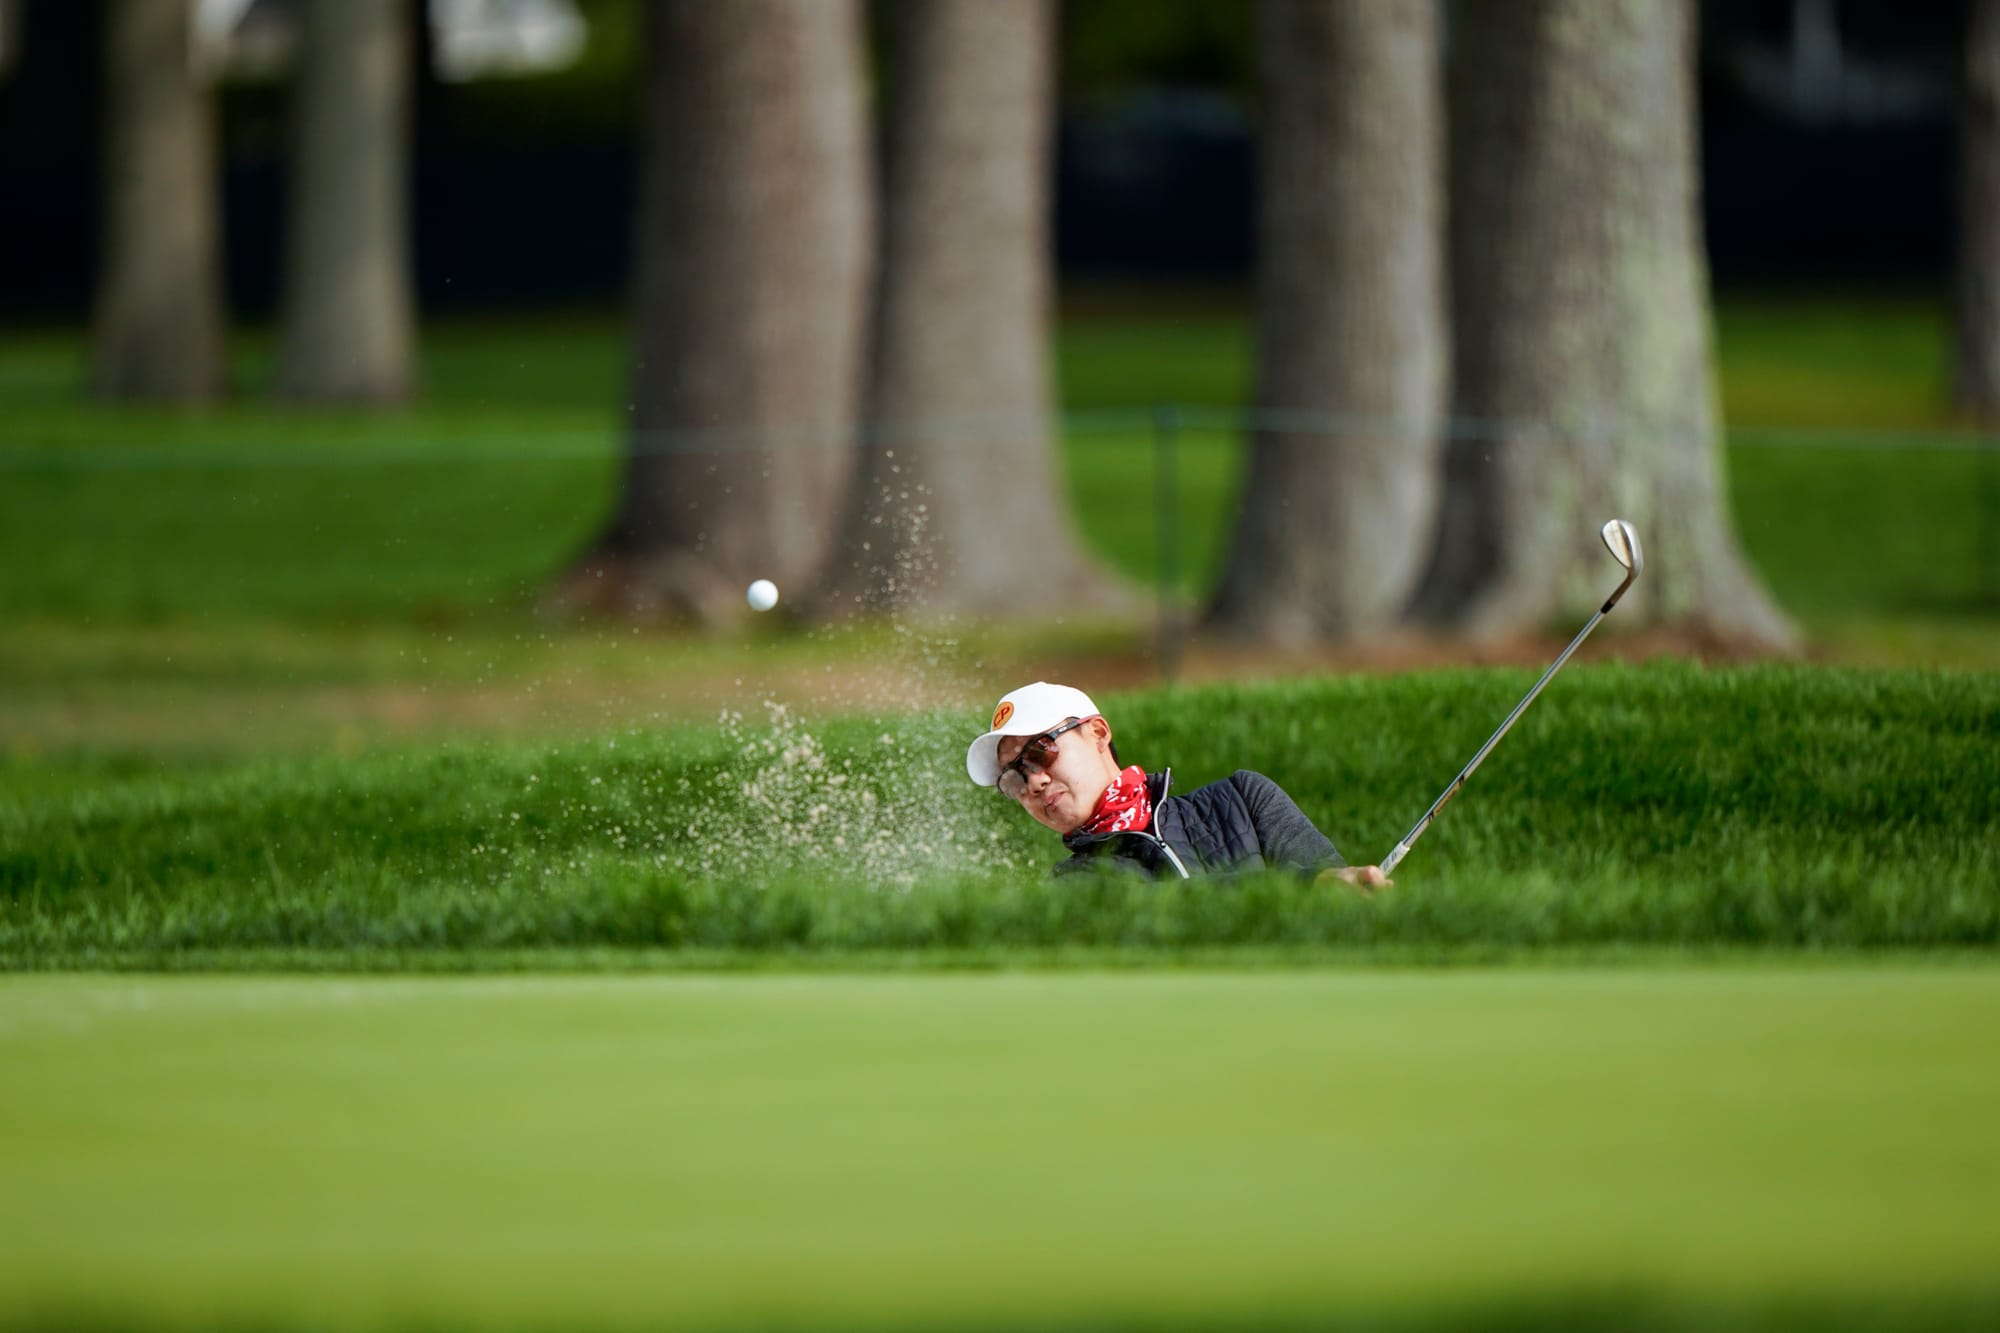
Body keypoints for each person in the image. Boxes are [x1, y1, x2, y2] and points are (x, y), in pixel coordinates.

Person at [965, 681, 1391, 888]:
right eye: (1013, 777)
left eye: (1041, 750)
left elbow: (1334, 891)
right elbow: (1183, 914)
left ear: (1097, 733)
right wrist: (1309, 888)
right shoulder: (1073, 884)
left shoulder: (1244, 798)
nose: (1034, 781)